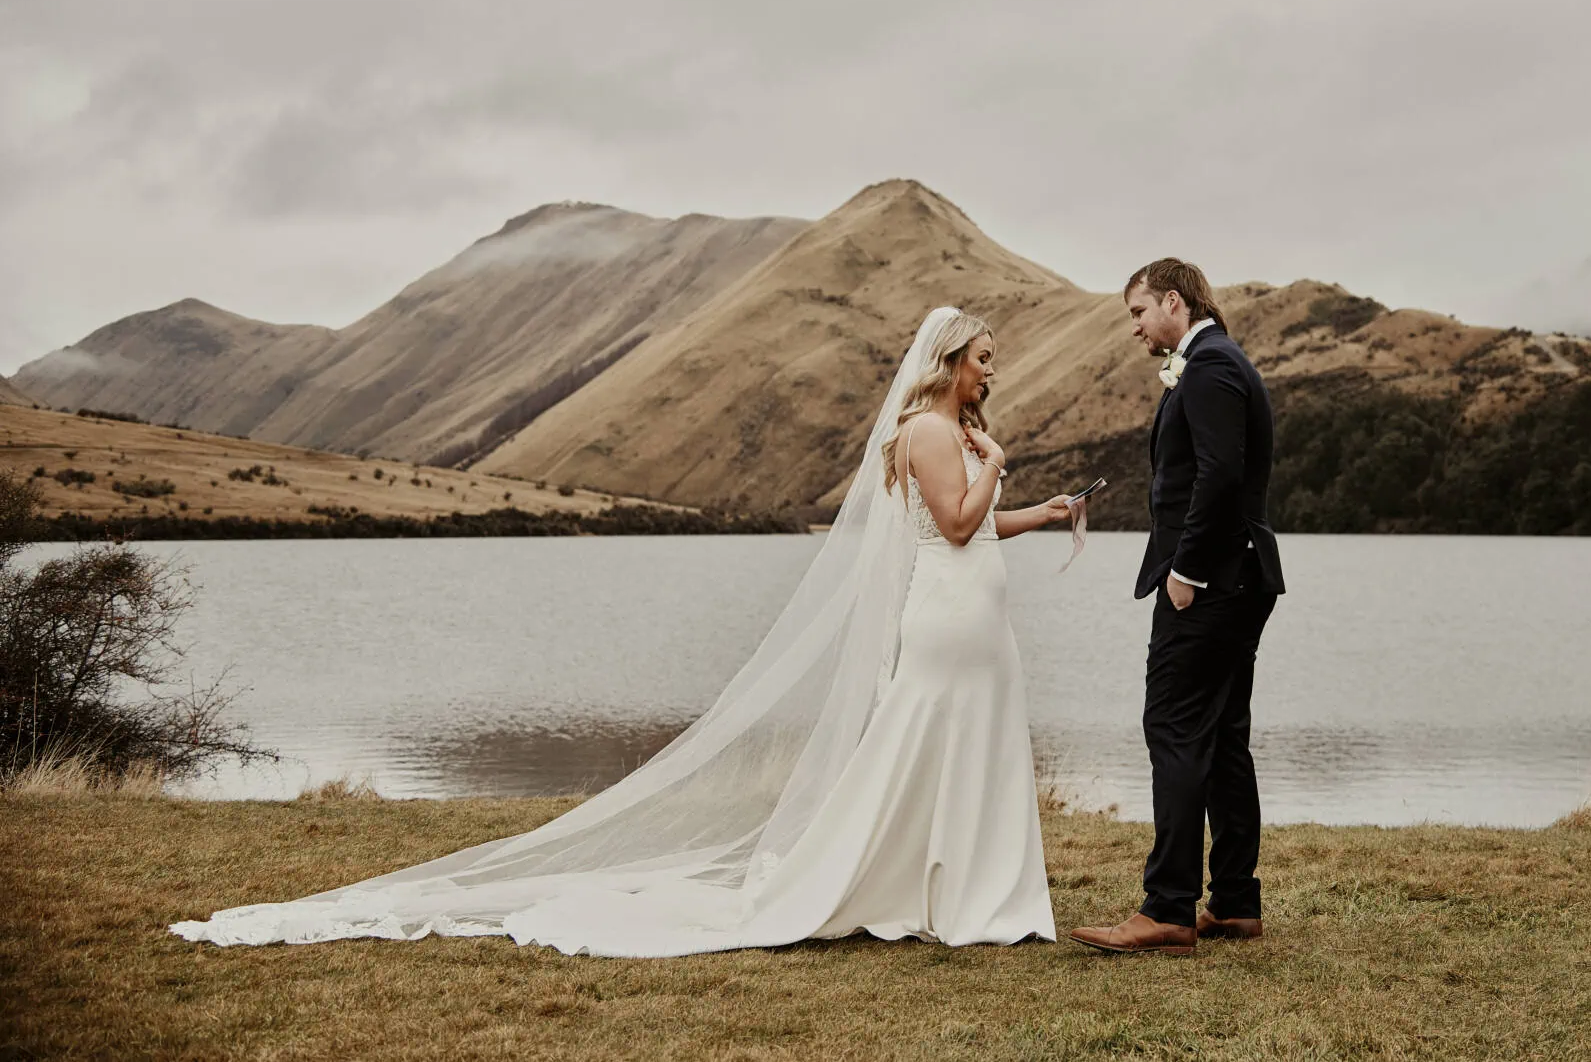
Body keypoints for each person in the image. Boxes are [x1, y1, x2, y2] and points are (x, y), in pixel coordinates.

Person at [171, 307, 1075, 956]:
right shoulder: (927, 428)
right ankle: (916, 887)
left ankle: (976, 894)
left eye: (992, 362)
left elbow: (982, 522)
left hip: (978, 618)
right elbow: (954, 523)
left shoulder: (958, 430)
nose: (991, 373)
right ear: (949, 360)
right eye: (983, 360)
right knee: (926, 747)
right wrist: (993, 467)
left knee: (974, 748)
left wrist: (1041, 507)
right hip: (948, 619)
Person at [1070, 259, 1285, 956]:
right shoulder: (1217, 361)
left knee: (1174, 725)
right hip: (1239, 578)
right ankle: (1233, 902)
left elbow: (1220, 474)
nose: (1132, 326)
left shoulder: (1212, 365)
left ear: (1172, 300)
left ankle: (1166, 908)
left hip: (1213, 580)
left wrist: (1187, 569)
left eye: (1137, 312)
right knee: (1220, 735)